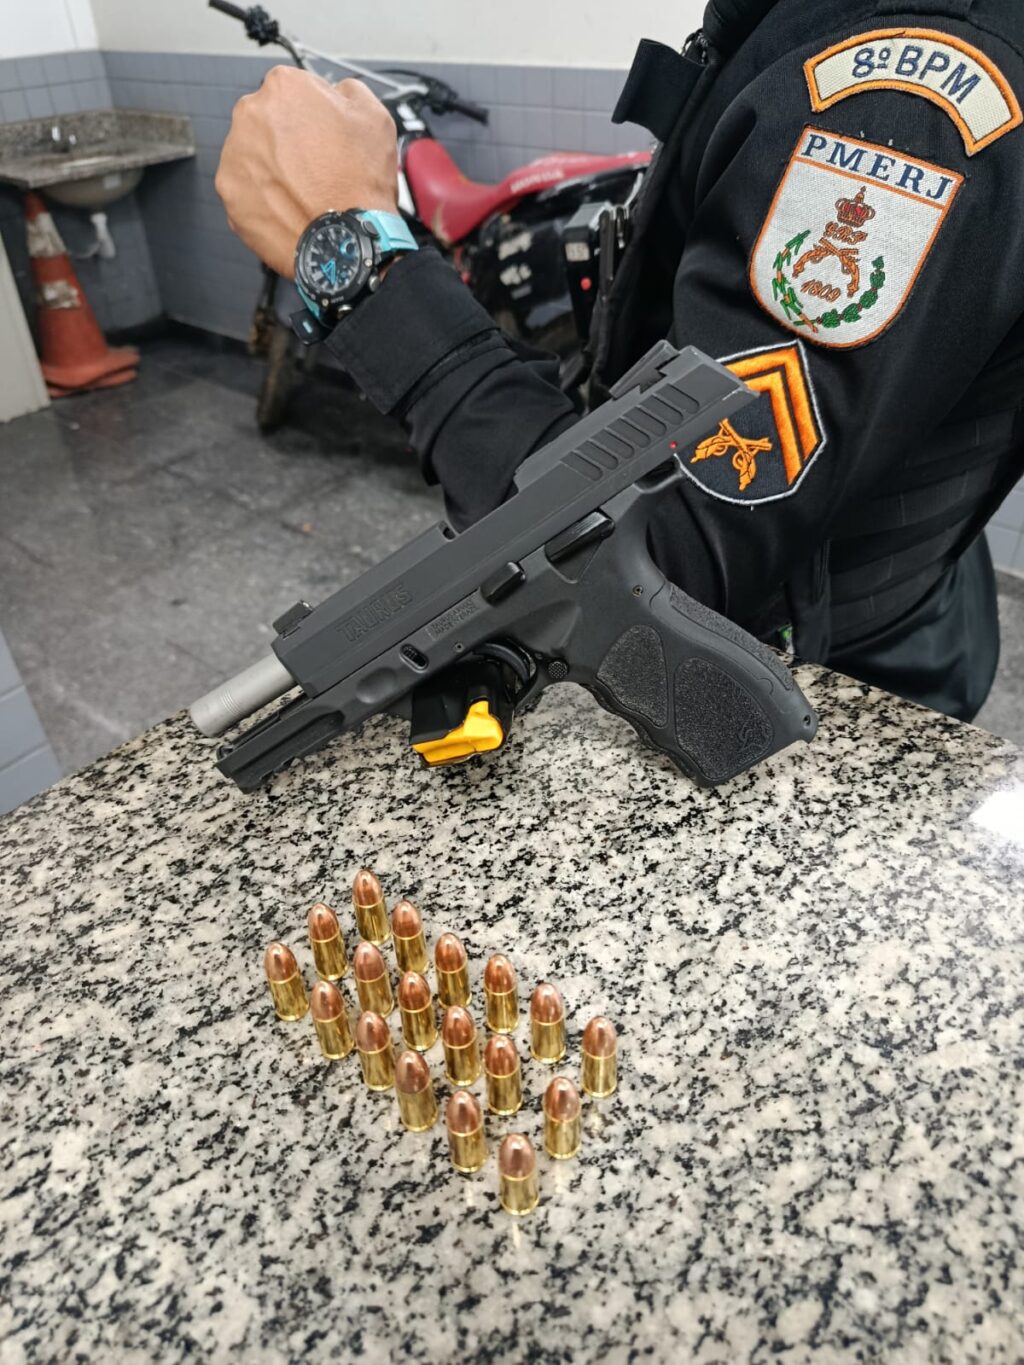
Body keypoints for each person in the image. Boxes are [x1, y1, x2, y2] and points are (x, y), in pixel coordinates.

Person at [215, 0, 1024, 722]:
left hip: (806, 692)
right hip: (875, 614)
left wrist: (363, 268)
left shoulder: (907, 94)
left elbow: (645, 569)